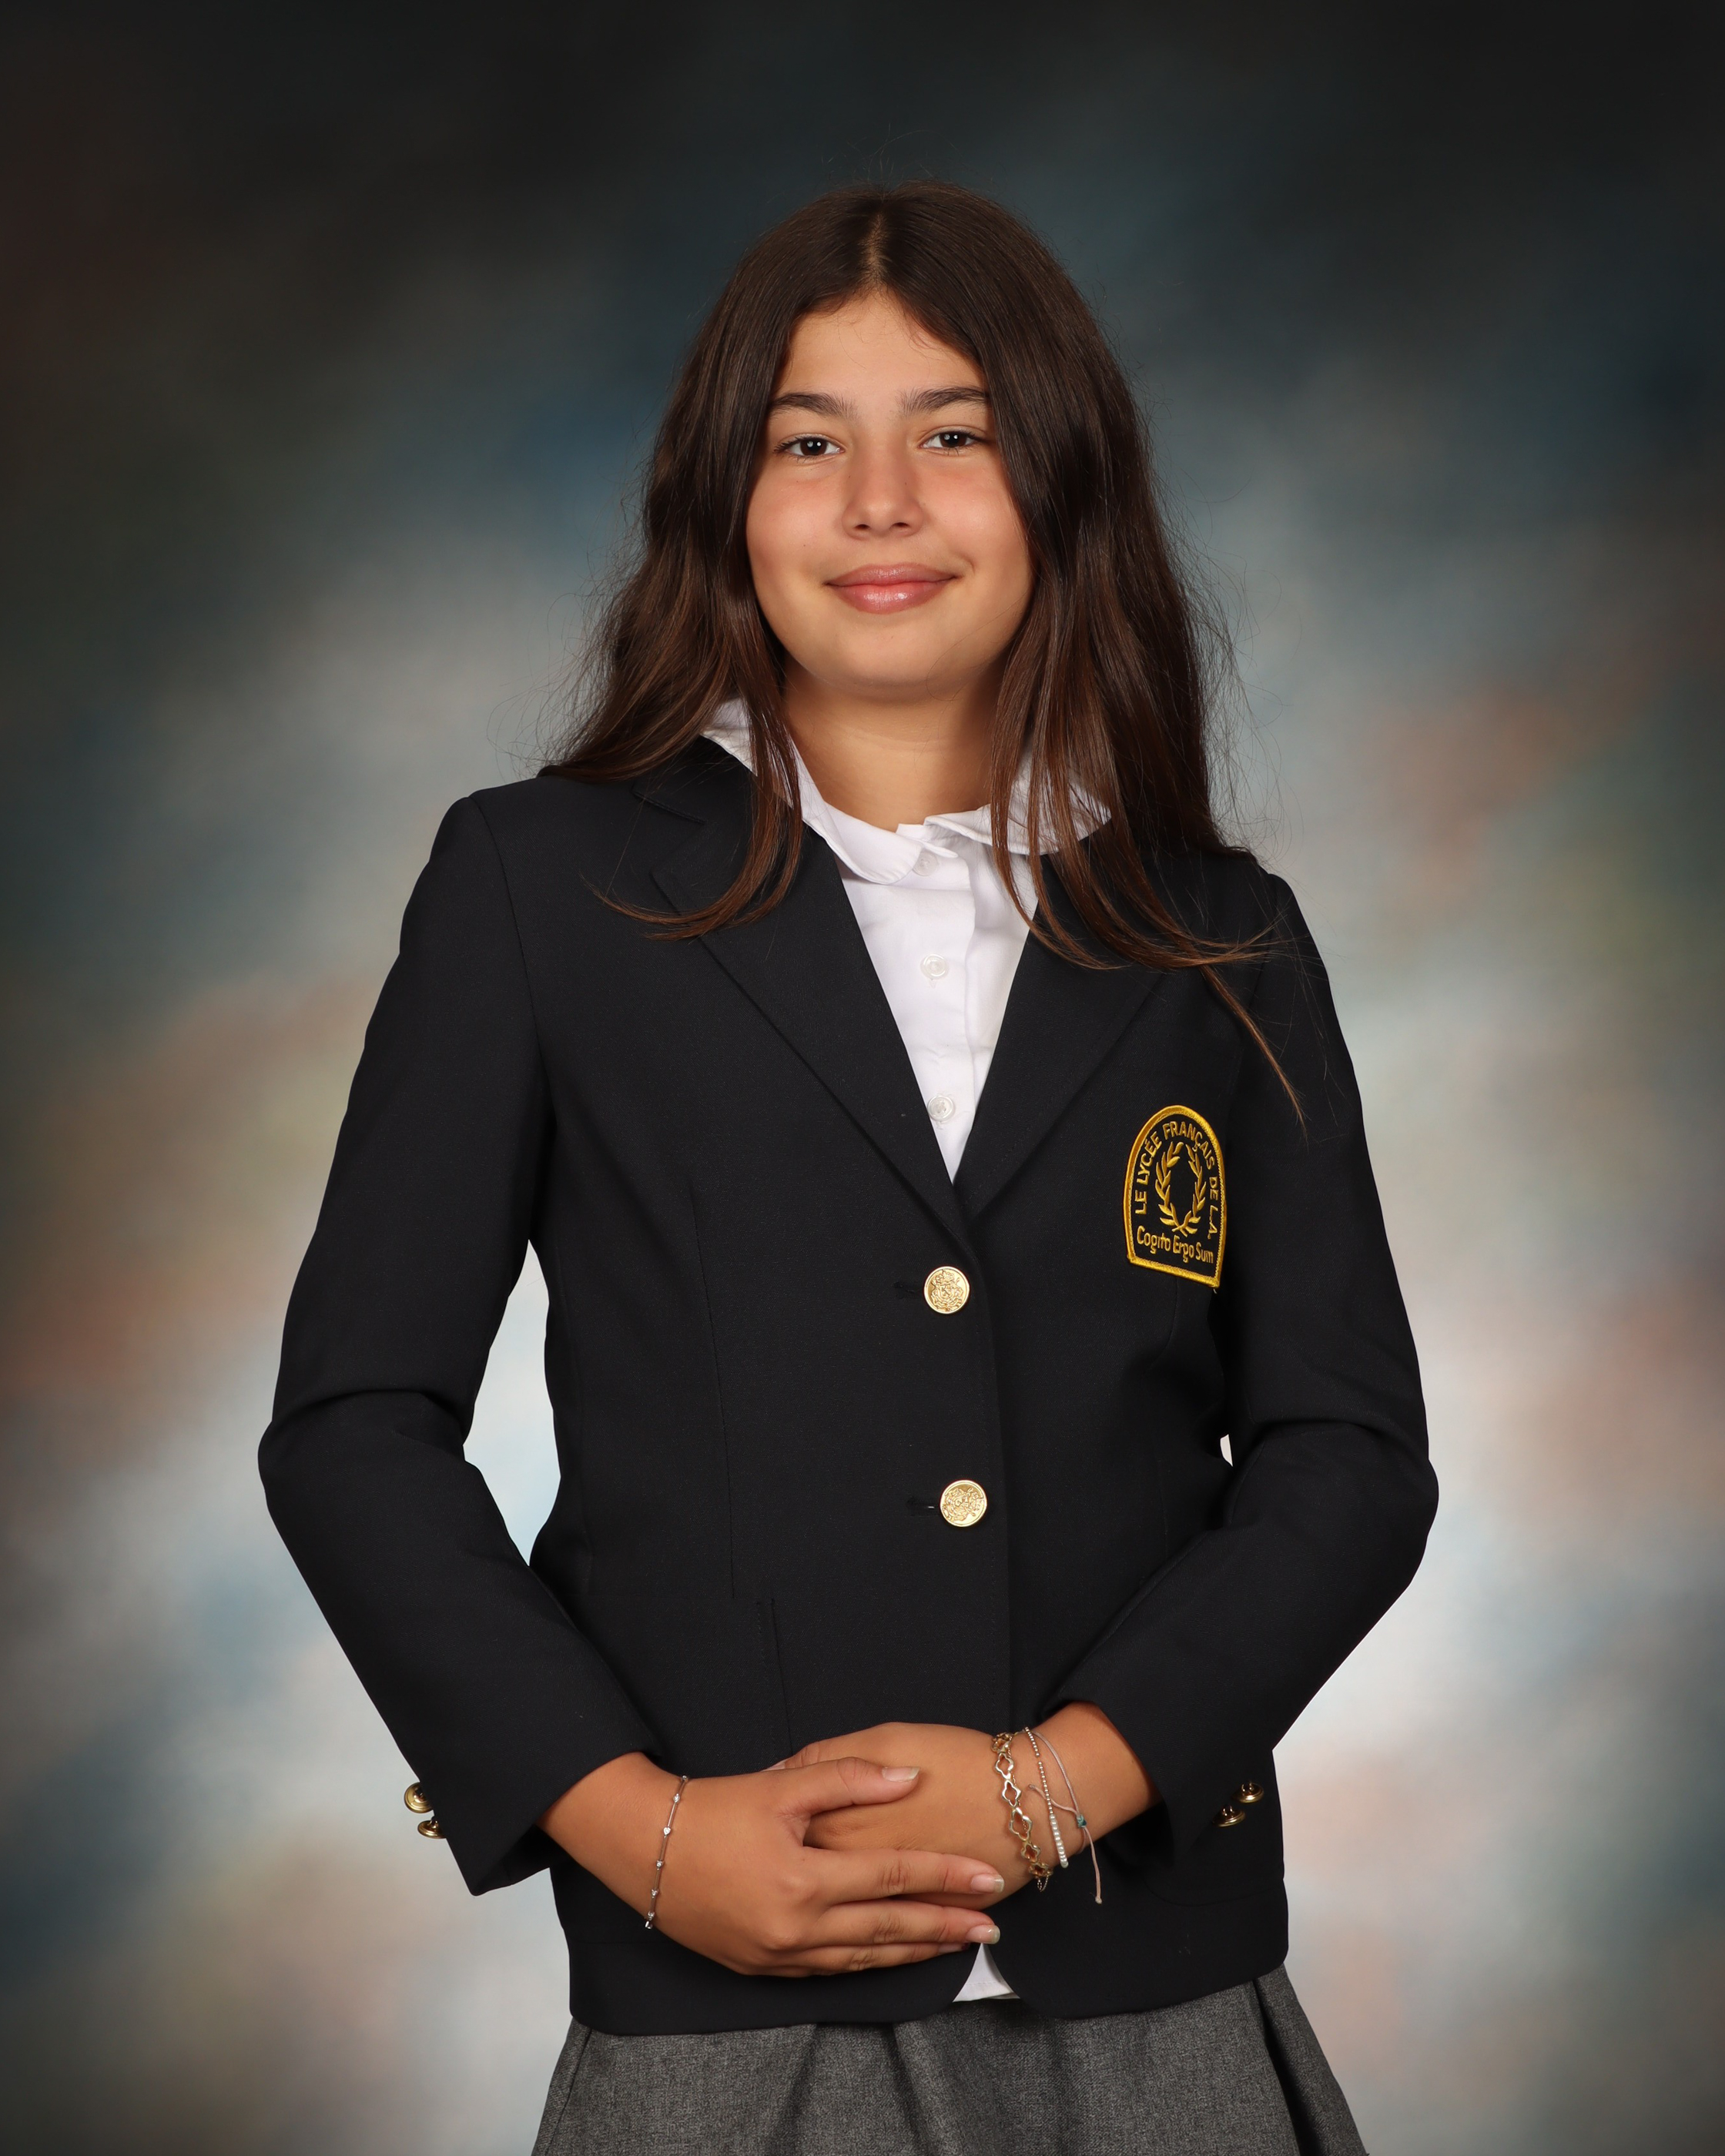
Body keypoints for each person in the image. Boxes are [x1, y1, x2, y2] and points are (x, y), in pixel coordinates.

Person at [261, 180, 1436, 2155]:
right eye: (808, 443)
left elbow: (1348, 1455)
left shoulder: (1220, 939)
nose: (880, 502)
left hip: (1157, 1990)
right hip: (719, 2002)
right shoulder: (537, 888)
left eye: (952, 434)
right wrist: (643, 1830)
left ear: (1061, 487)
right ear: (723, 501)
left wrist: (1063, 1781)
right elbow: (354, 1428)